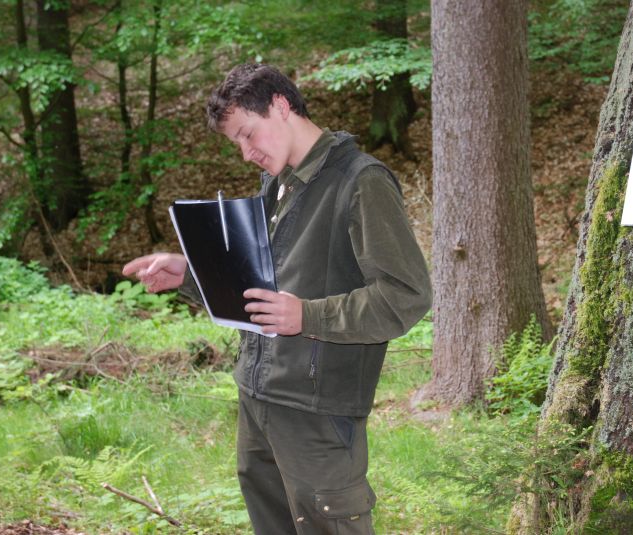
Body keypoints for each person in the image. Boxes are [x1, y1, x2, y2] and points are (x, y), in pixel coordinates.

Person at [122, 63, 431, 534]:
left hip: (317, 411)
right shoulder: (278, 184)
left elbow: (406, 295)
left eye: (248, 134)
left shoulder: (360, 182)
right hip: (258, 396)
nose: (246, 153)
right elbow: (259, 288)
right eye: (237, 143)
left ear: (281, 105)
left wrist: (307, 316)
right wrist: (189, 272)